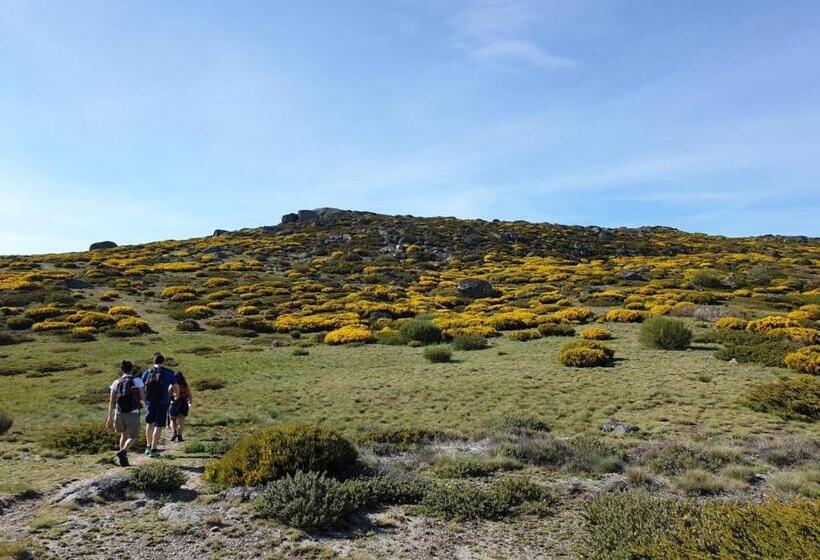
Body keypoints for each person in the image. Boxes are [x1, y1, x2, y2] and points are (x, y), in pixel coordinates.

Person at [106, 360, 144, 467]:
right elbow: (142, 397)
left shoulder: (116, 382)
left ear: (121, 370)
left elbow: (111, 401)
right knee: (133, 436)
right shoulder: (137, 381)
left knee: (123, 434)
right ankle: (123, 452)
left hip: (119, 412)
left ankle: (122, 460)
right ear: (132, 369)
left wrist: (110, 417)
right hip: (133, 412)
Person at [140, 353, 178, 457]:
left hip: (150, 402)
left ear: (154, 362)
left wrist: (144, 399)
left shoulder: (147, 372)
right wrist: (176, 396)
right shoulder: (169, 373)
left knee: (150, 423)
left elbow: (141, 387)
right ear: (163, 361)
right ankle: (154, 449)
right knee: (159, 425)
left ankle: (148, 446)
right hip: (163, 401)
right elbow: (175, 386)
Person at [169, 372, 192, 442]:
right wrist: (190, 401)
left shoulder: (172, 385)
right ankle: (180, 435)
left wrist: (171, 398)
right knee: (181, 420)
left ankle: (174, 433)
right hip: (184, 403)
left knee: (172, 420)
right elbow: (189, 394)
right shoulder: (185, 385)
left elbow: (169, 393)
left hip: (174, 403)